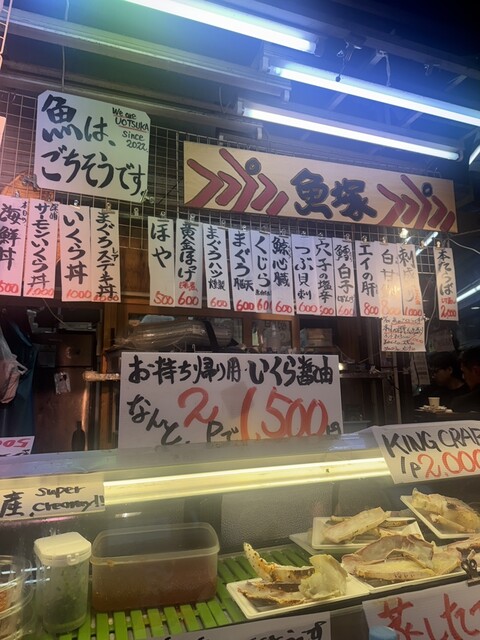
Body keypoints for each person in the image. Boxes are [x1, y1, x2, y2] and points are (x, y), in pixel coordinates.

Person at [451, 347, 480, 413]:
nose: (463, 377)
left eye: (464, 372)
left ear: (476, 371)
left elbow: (458, 404)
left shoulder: (465, 402)